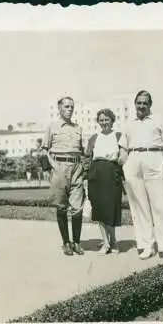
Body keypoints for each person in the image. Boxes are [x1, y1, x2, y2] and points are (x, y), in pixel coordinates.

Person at [118, 90, 163, 261]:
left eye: (145, 103)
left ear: (150, 105)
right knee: (139, 207)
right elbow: (123, 147)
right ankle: (146, 245)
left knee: (160, 206)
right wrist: (123, 165)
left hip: (154, 157)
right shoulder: (129, 123)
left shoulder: (159, 119)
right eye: (139, 103)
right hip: (133, 160)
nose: (141, 106)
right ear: (135, 104)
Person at [41, 96, 87, 256]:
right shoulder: (52, 127)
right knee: (61, 206)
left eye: (72, 107)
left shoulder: (78, 128)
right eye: (66, 107)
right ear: (59, 108)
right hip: (59, 167)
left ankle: (77, 242)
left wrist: (83, 169)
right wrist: (48, 169)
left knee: (77, 207)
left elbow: (83, 151)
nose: (70, 109)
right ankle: (66, 243)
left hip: (76, 167)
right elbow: (43, 150)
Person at [84, 109, 125, 255]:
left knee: (111, 208)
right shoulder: (94, 138)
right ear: (98, 122)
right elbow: (87, 159)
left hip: (112, 174)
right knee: (99, 209)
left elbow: (124, 157)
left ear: (112, 120)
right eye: (101, 120)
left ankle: (113, 241)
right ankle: (105, 243)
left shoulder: (119, 136)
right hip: (95, 175)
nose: (104, 122)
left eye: (107, 119)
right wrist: (85, 178)